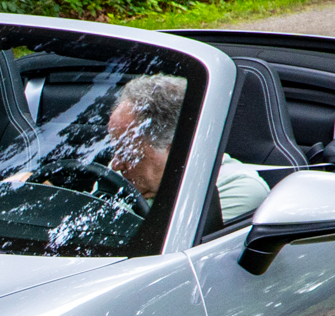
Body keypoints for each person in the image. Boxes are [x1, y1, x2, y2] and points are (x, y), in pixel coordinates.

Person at [99, 74, 268, 224]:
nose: (116, 165)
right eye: (117, 149)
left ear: (178, 152)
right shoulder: (125, 174)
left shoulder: (239, 189)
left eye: (129, 154)